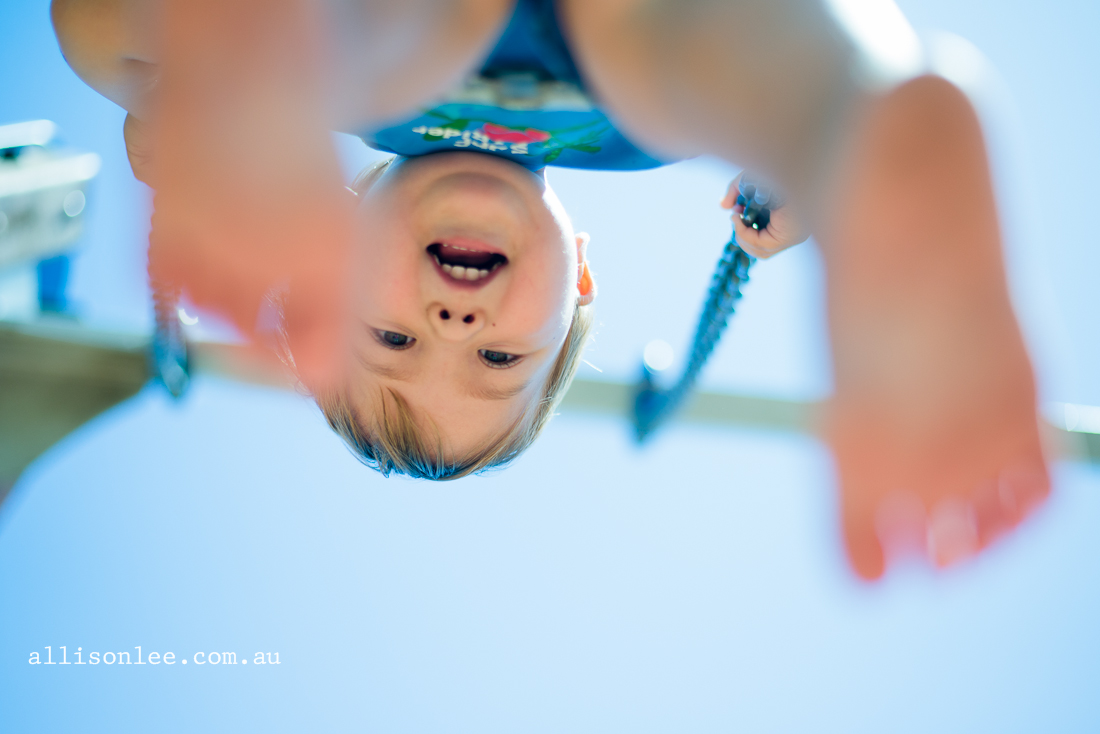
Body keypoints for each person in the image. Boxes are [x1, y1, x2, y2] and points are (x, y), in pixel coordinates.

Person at [51, 0, 1048, 579]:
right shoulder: (650, 131)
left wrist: (178, 93)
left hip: (381, 38)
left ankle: (252, 56)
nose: (451, 321)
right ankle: (854, 122)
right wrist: (798, 170)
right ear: (576, 277)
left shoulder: (370, 110)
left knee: (134, 41)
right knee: (708, 74)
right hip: (632, 42)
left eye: (388, 338)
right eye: (497, 359)